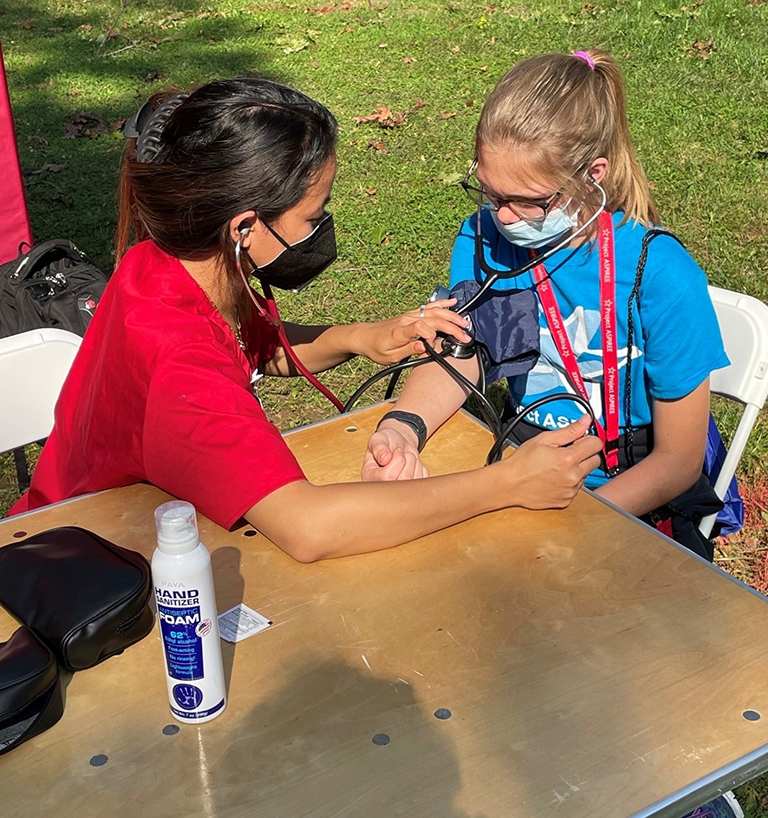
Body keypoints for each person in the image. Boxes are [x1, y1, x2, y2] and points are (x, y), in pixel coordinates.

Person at [6, 77, 602, 563]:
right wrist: (508, 483)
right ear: (243, 228)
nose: (321, 228)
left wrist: (361, 339)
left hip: (69, 533)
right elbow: (309, 528)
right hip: (81, 565)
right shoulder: (182, 363)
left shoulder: (162, 262)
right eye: (313, 214)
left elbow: (253, 349)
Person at [362, 49, 729, 559]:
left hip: (633, 502)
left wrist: (582, 523)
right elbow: (463, 354)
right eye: (490, 194)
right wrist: (403, 428)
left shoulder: (660, 273)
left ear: (592, 176)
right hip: (518, 474)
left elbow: (679, 461)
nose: (505, 218)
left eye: (526, 201)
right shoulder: (483, 238)